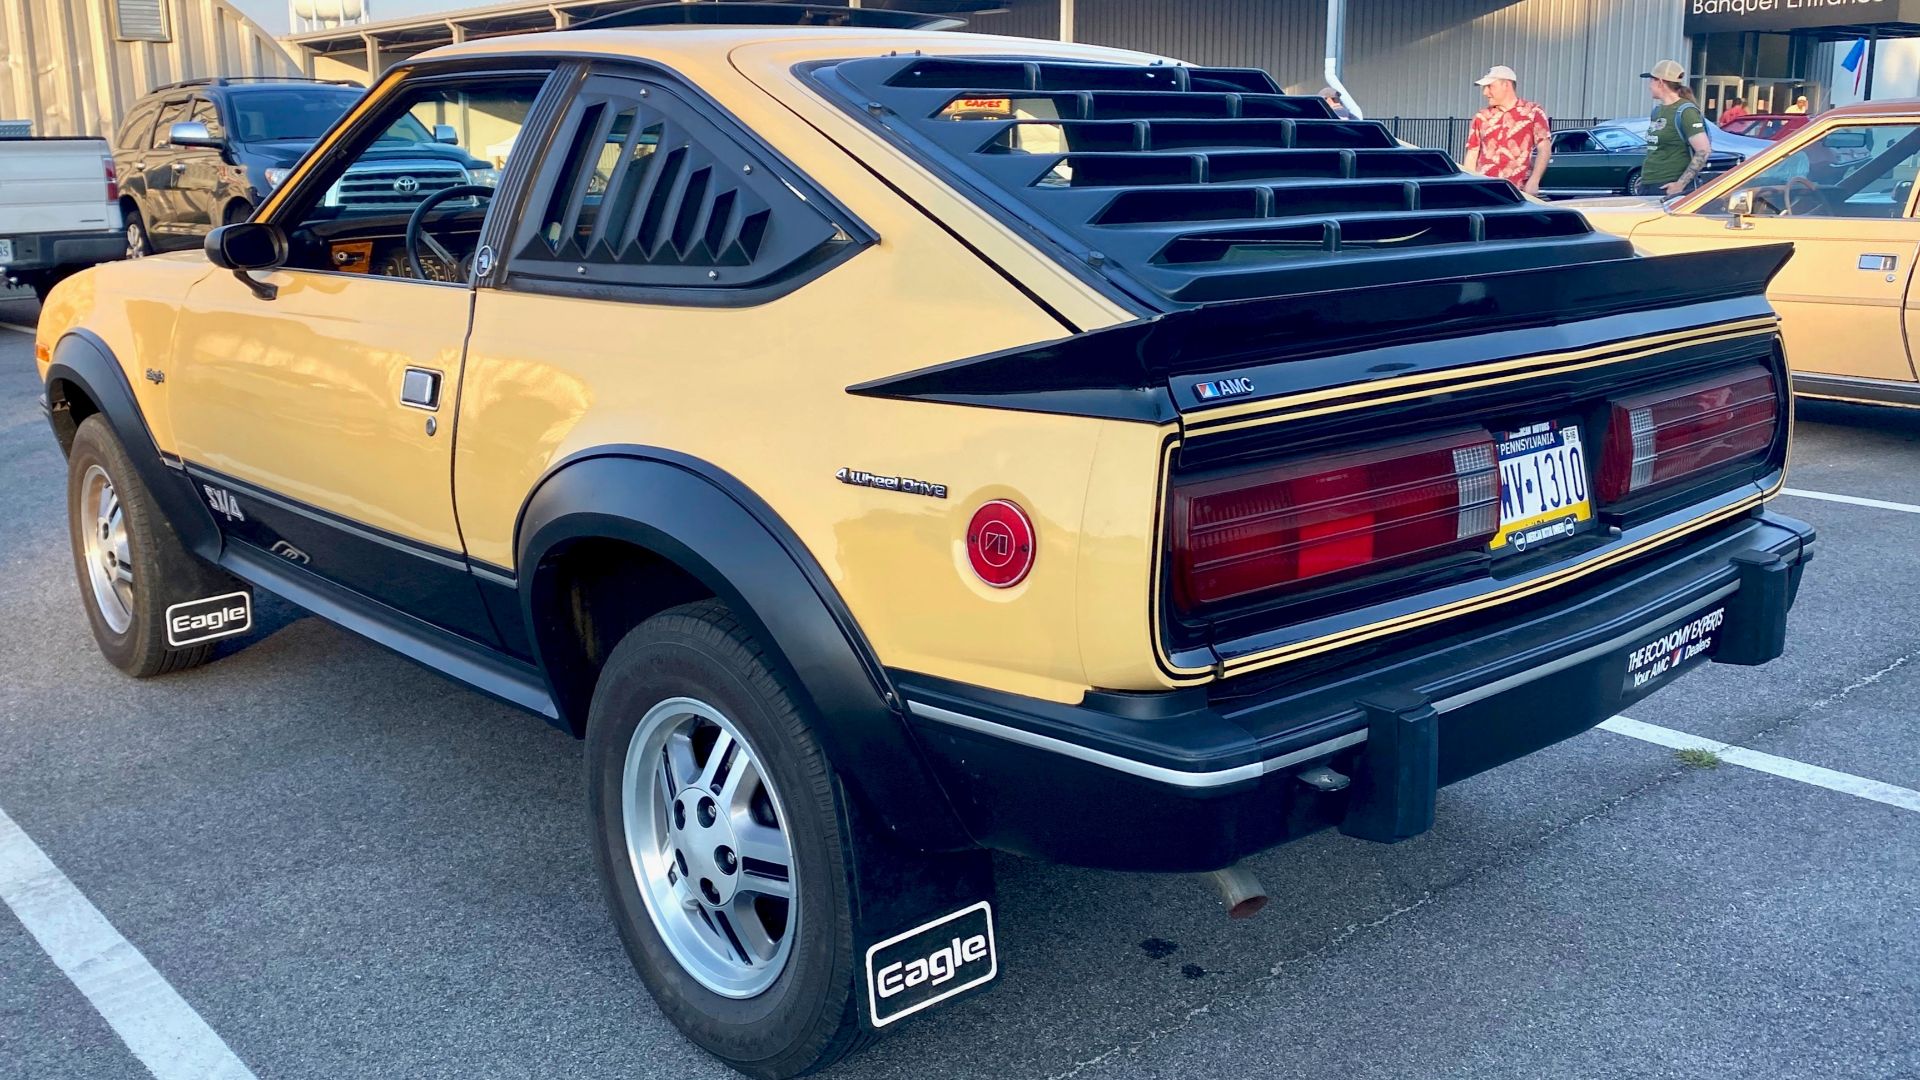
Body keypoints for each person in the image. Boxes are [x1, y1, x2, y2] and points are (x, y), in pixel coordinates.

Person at [1462, 65, 1551, 196]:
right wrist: (1468, 185)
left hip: (1518, 192)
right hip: (1484, 190)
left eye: (1490, 86)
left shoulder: (1532, 112)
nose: (1485, 92)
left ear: (1506, 85)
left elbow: (1544, 148)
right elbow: (1472, 153)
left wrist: (1534, 180)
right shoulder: (1481, 117)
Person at [1637, 59, 1712, 197]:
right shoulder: (1657, 111)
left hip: (1668, 187)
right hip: (1649, 185)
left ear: (1660, 82)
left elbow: (1703, 150)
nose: (1649, 86)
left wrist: (1680, 184)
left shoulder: (1686, 112)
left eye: (1651, 80)